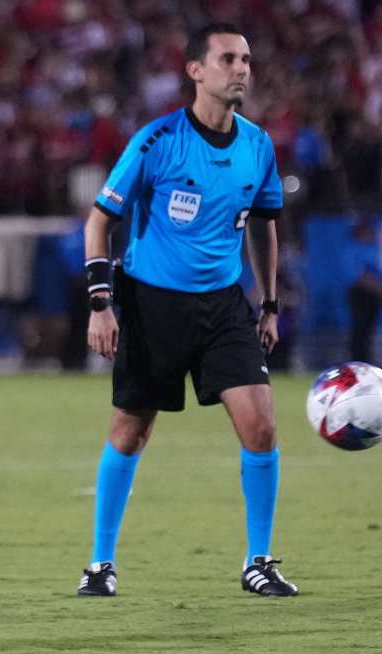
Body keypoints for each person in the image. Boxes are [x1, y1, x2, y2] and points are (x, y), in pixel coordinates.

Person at [77, 24, 298, 598]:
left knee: (261, 426)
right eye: (227, 58)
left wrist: (269, 304)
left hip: (224, 305)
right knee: (130, 432)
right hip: (151, 304)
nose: (241, 68)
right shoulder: (157, 141)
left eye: (246, 59)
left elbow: (264, 226)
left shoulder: (258, 145)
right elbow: (99, 222)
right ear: (196, 71)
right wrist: (101, 304)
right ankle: (99, 564)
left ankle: (259, 561)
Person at [341, 220, 382, 364]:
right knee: (360, 328)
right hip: (360, 294)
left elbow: (376, 273)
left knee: (368, 330)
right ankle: (357, 360)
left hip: (373, 295)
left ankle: (365, 359)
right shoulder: (352, 250)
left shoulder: (372, 250)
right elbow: (358, 276)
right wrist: (381, 290)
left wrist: (381, 290)